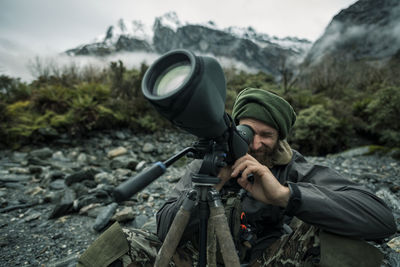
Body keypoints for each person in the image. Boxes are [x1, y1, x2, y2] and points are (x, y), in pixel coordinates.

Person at [78, 88, 396, 267]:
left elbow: (381, 219)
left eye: (267, 135)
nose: (256, 144)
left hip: (269, 260)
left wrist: (287, 196)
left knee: (343, 242)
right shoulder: (214, 161)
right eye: (248, 132)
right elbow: (164, 230)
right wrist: (210, 184)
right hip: (203, 258)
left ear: (281, 137)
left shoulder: (293, 166)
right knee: (121, 242)